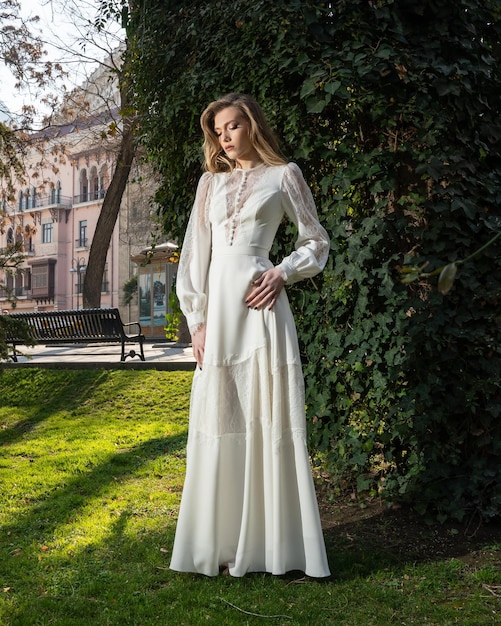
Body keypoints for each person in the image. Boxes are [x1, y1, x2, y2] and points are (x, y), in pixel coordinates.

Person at [170, 93, 331, 578]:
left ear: (253, 126)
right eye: (218, 130)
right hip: (218, 319)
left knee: (267, 418)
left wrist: (282, 272)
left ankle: (272, 545)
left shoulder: (285, 176)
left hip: (262, 314)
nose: (225, 137)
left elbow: (316, 240)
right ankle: (217, 541)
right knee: (219, 419)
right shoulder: (209, 183)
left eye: (233, 126)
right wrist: (196, 321)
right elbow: (195, 256)